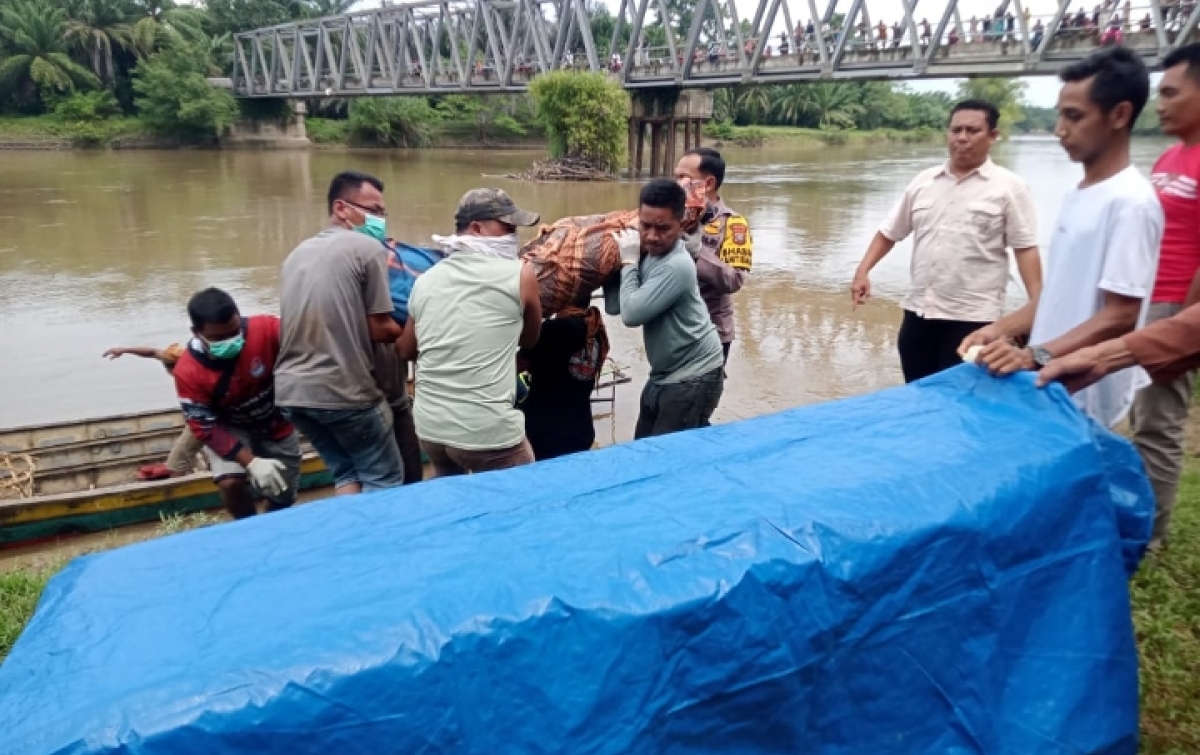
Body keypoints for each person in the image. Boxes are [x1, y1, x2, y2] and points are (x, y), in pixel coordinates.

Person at [964, 47, 1164, 431]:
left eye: (1074, 117)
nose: (1059, 129)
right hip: (1053, 381)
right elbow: (1058, 294)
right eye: (1059, 114)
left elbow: (1120, 315)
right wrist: (1000, 329)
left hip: (1089, 389)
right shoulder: (1079, 193)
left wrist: (1035, 355)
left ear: (1119, 115)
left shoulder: (1131, 202)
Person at [852, 99, 1042, 383]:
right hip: (919, 314)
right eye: (956, 130)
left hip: (974, 320)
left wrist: (1037, 308)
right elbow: (889, 232)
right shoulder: (923, 182)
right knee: (917, 394)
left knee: (962, 402)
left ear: (993, 136)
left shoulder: (1009, 188)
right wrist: (863, 270)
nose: (962, 137)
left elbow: (1025, 249)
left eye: (972, 130)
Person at [275, 171, 406, 495]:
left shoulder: (297, 253)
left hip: (292, 392)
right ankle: (383, 544)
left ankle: (353, 540)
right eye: (373, 210)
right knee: (384, 479)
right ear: (341, 208)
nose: (379, 220)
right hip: (343, 391)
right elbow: (380, 328)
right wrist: (415, 327)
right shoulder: (367, 248)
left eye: (382, 213)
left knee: (347, 472)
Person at [399, 188, 542, 477]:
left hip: (431, 429)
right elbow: (530, 339)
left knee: (452, 499)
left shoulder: (426, 279)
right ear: (476, 228)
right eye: (507, 227)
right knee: (523, 502)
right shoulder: (521, 274)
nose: (514, 235)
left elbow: (405, 350)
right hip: (488, 432)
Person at [1127, 43, 1200, 547]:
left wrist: (1185, 322)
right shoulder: (1173, 155)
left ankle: (1150, 538)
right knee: (1141, 415)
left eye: (1172, 93)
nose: (1161, 103)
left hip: (1177, 304)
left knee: (1161, 422)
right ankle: (1138, 517)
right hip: (1147, 301)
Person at [605, 179, 725, 438]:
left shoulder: (676, 265)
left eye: (663, 229)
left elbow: (631, 315)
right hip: (664, 374)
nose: (651, 236)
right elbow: (616, 305)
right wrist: (615, 263)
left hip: (694, 375)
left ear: (681, 224)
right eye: (645, 225)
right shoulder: (645, 253)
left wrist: (628, 263)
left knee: (667, 461)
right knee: (644, 448)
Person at [172, 288, 300, 519]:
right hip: (228, 426)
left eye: (234, 333)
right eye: (218, 339)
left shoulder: (267, 329)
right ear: (197, 332)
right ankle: (247, 526)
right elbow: (204, 426)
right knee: (230, 483)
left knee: (283, 493)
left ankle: (274, 522)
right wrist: (251, 462)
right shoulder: (188, 371)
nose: (230, 342)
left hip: (274, 419)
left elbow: (305, 343)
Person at [673, 147, 754, 365]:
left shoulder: (733, 224)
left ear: (708, 183)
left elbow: (734, 279)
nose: (677, 183)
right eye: (676, 176)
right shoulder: (673, 215)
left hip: (711, 331)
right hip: (673, 327)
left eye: (684, 177)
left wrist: (699, 254)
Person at [518, 292, 609, 460]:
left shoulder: (554, 329)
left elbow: (517, 365)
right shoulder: (595, 328)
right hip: (581, 430)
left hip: (545, 434)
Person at [103, 343, 202, 478]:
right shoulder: (186, 360)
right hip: (198, 417)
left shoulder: (191, 375)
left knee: (176, 463)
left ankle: (175, 487)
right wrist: (125, 349)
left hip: (203, 420)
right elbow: (153, 352)